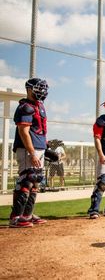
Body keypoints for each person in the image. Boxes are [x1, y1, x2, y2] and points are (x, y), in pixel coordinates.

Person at [9, 78, 49, 228]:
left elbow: (40, 129)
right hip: (27, 149)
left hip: (39, 148)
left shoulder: (40, 106)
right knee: (27, 180)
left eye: (43, 89)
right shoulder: (25, 107)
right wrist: (32, 153)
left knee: (36, 181)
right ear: (29, 89)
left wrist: (45, 147)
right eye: (38, 89)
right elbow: (24, 131)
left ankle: (27, 215)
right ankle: (15, 217)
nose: (42, 92)